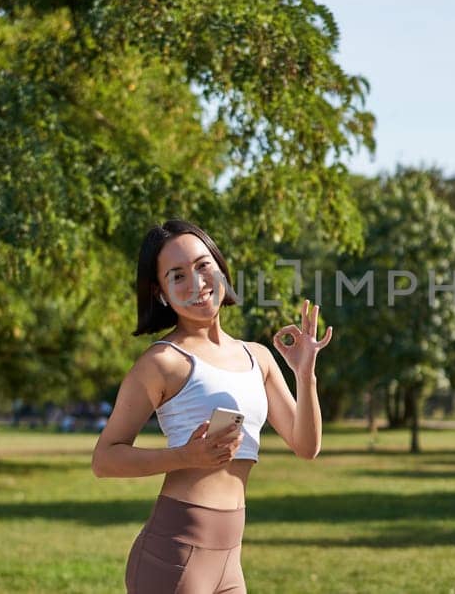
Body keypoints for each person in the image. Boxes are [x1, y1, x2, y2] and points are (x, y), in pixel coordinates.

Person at [93, 219, 332, 593]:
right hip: (174, 555)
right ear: (161, 293)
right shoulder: (163, 362)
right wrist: (187, 456)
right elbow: (104, 460)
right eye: (178, 276)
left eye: (204, 266)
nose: (197, 283)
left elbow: (307, 447)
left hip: (230, 558)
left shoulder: (259, 357)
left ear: (221, 268)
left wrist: (305, 374)